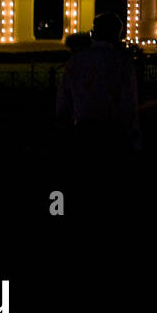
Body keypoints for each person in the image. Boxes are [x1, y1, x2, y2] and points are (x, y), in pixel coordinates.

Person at [56, 13, 141, 214]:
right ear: (117, 35)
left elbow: (63, 103)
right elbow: (129, 106)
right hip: (114, 135)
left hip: (84, 133)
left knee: (85, 187)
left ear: (93, 34)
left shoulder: (76, 61)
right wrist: (135, 141)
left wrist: (63, 132)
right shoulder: (122, 63)